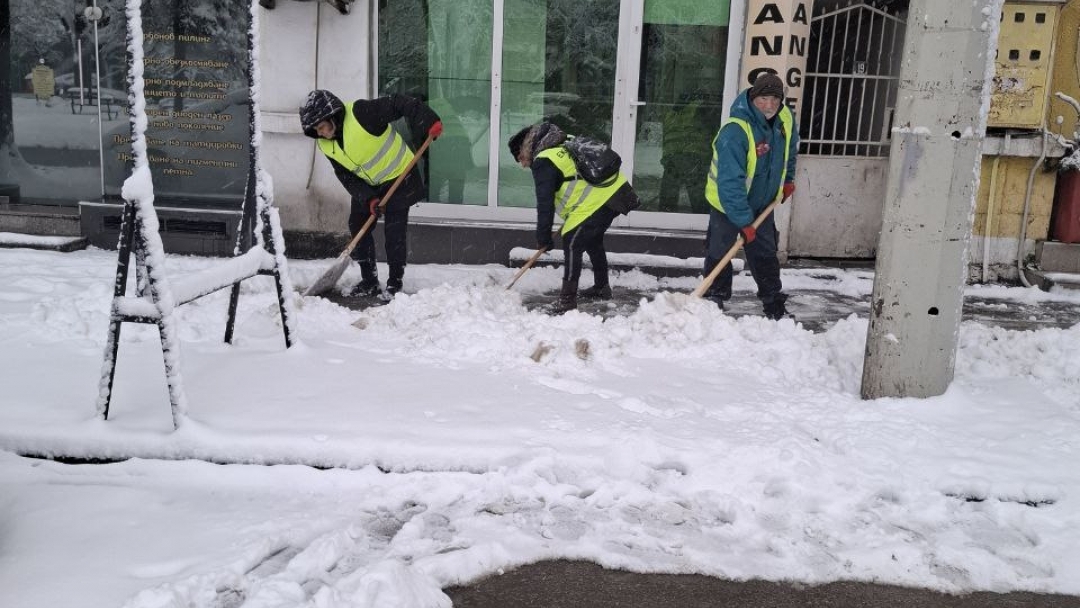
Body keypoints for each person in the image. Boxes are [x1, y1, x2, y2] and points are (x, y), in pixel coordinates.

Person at [299, 89, 442, 297]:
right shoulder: (325, 144)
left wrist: (428, 120)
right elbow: (345, 175)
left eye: (321, 127)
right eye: (315, 130)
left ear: (332, 117)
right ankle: (369, 280)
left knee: (394, 232)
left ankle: (395, 283)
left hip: (399, 176)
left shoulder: (362, 113)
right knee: (357, 225)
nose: (320, 133)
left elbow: (398, 102)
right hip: (369, 184)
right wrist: (368, 199)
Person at [508, 122, 640, 314]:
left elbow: (545, 203)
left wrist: (543, 237)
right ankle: (601, 287)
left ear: (525, 148)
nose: (522, 164)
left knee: (572, 241)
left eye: (520, 158)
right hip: (617, 193)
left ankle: (567, 301)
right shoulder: (562, 142)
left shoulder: (544, 161)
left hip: (600, 200)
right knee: (592, 241)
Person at [703, 72, 798, 320]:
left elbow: (789, 151)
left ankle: (773, 302)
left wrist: (788, 179)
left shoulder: (785, 119)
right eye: (763, 99)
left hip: (762, 203)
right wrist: (744, 221)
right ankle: (713, 298)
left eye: (775, 99)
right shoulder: (735, 131)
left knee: (765, 253)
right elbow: (730, 182)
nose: (769, 105)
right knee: (720, 251)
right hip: (727, 203)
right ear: (753, 98)